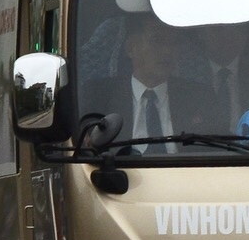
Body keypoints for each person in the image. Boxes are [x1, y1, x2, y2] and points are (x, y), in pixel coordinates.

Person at [81, 17, 222, 153]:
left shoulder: (199, 96)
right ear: (131, 48)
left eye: (173, 43)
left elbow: (214, 150)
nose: (167, 51)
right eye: (157, 41)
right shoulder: (99, 96)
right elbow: (87, 150)